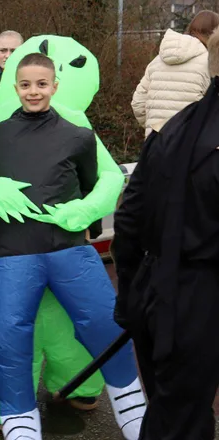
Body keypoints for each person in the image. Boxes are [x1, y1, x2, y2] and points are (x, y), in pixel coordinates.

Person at [0, 53, 145, 440]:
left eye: (41, 84)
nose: (33, 92)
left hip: (67, 248)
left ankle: (131, 402)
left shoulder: (77, 131)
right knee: (7, 334)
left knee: (104, 319)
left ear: (54, 85)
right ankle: (18, 417)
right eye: (25, 84)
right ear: (14, 86)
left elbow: (101, 179)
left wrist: (85, 210)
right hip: (9, 252)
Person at [113, 28, 219, 440]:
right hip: (193, 297)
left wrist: (130, 293)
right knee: (179, 418)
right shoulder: (179, 128)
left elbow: (129, 218)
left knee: (173, 410)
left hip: (157, 293)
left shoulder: (171, 128)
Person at [131, 10, 219, 137]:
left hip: (155, 145)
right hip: (191, 145)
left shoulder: (157, 61)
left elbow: (138, 103)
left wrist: (154, 128)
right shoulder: (209, 64)